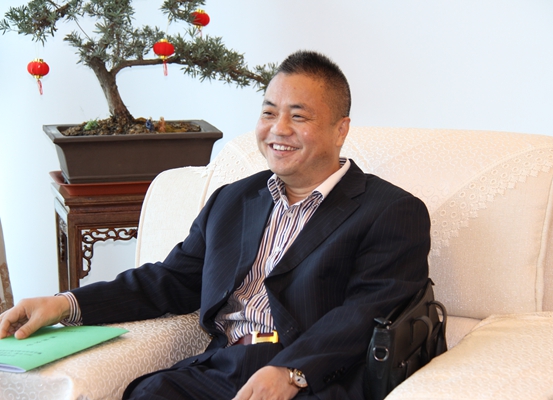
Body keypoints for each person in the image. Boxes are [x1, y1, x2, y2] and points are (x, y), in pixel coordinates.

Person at [0, 50, 431, 400]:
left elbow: (366, 313)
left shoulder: (391, 211)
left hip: (316, 381)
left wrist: (292, 371)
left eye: (299, 117)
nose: (278, 129)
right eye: (269, 112)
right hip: (220, 369)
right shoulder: (233, 200)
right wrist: (64, 304)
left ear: (340, 130)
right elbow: (169, 281)